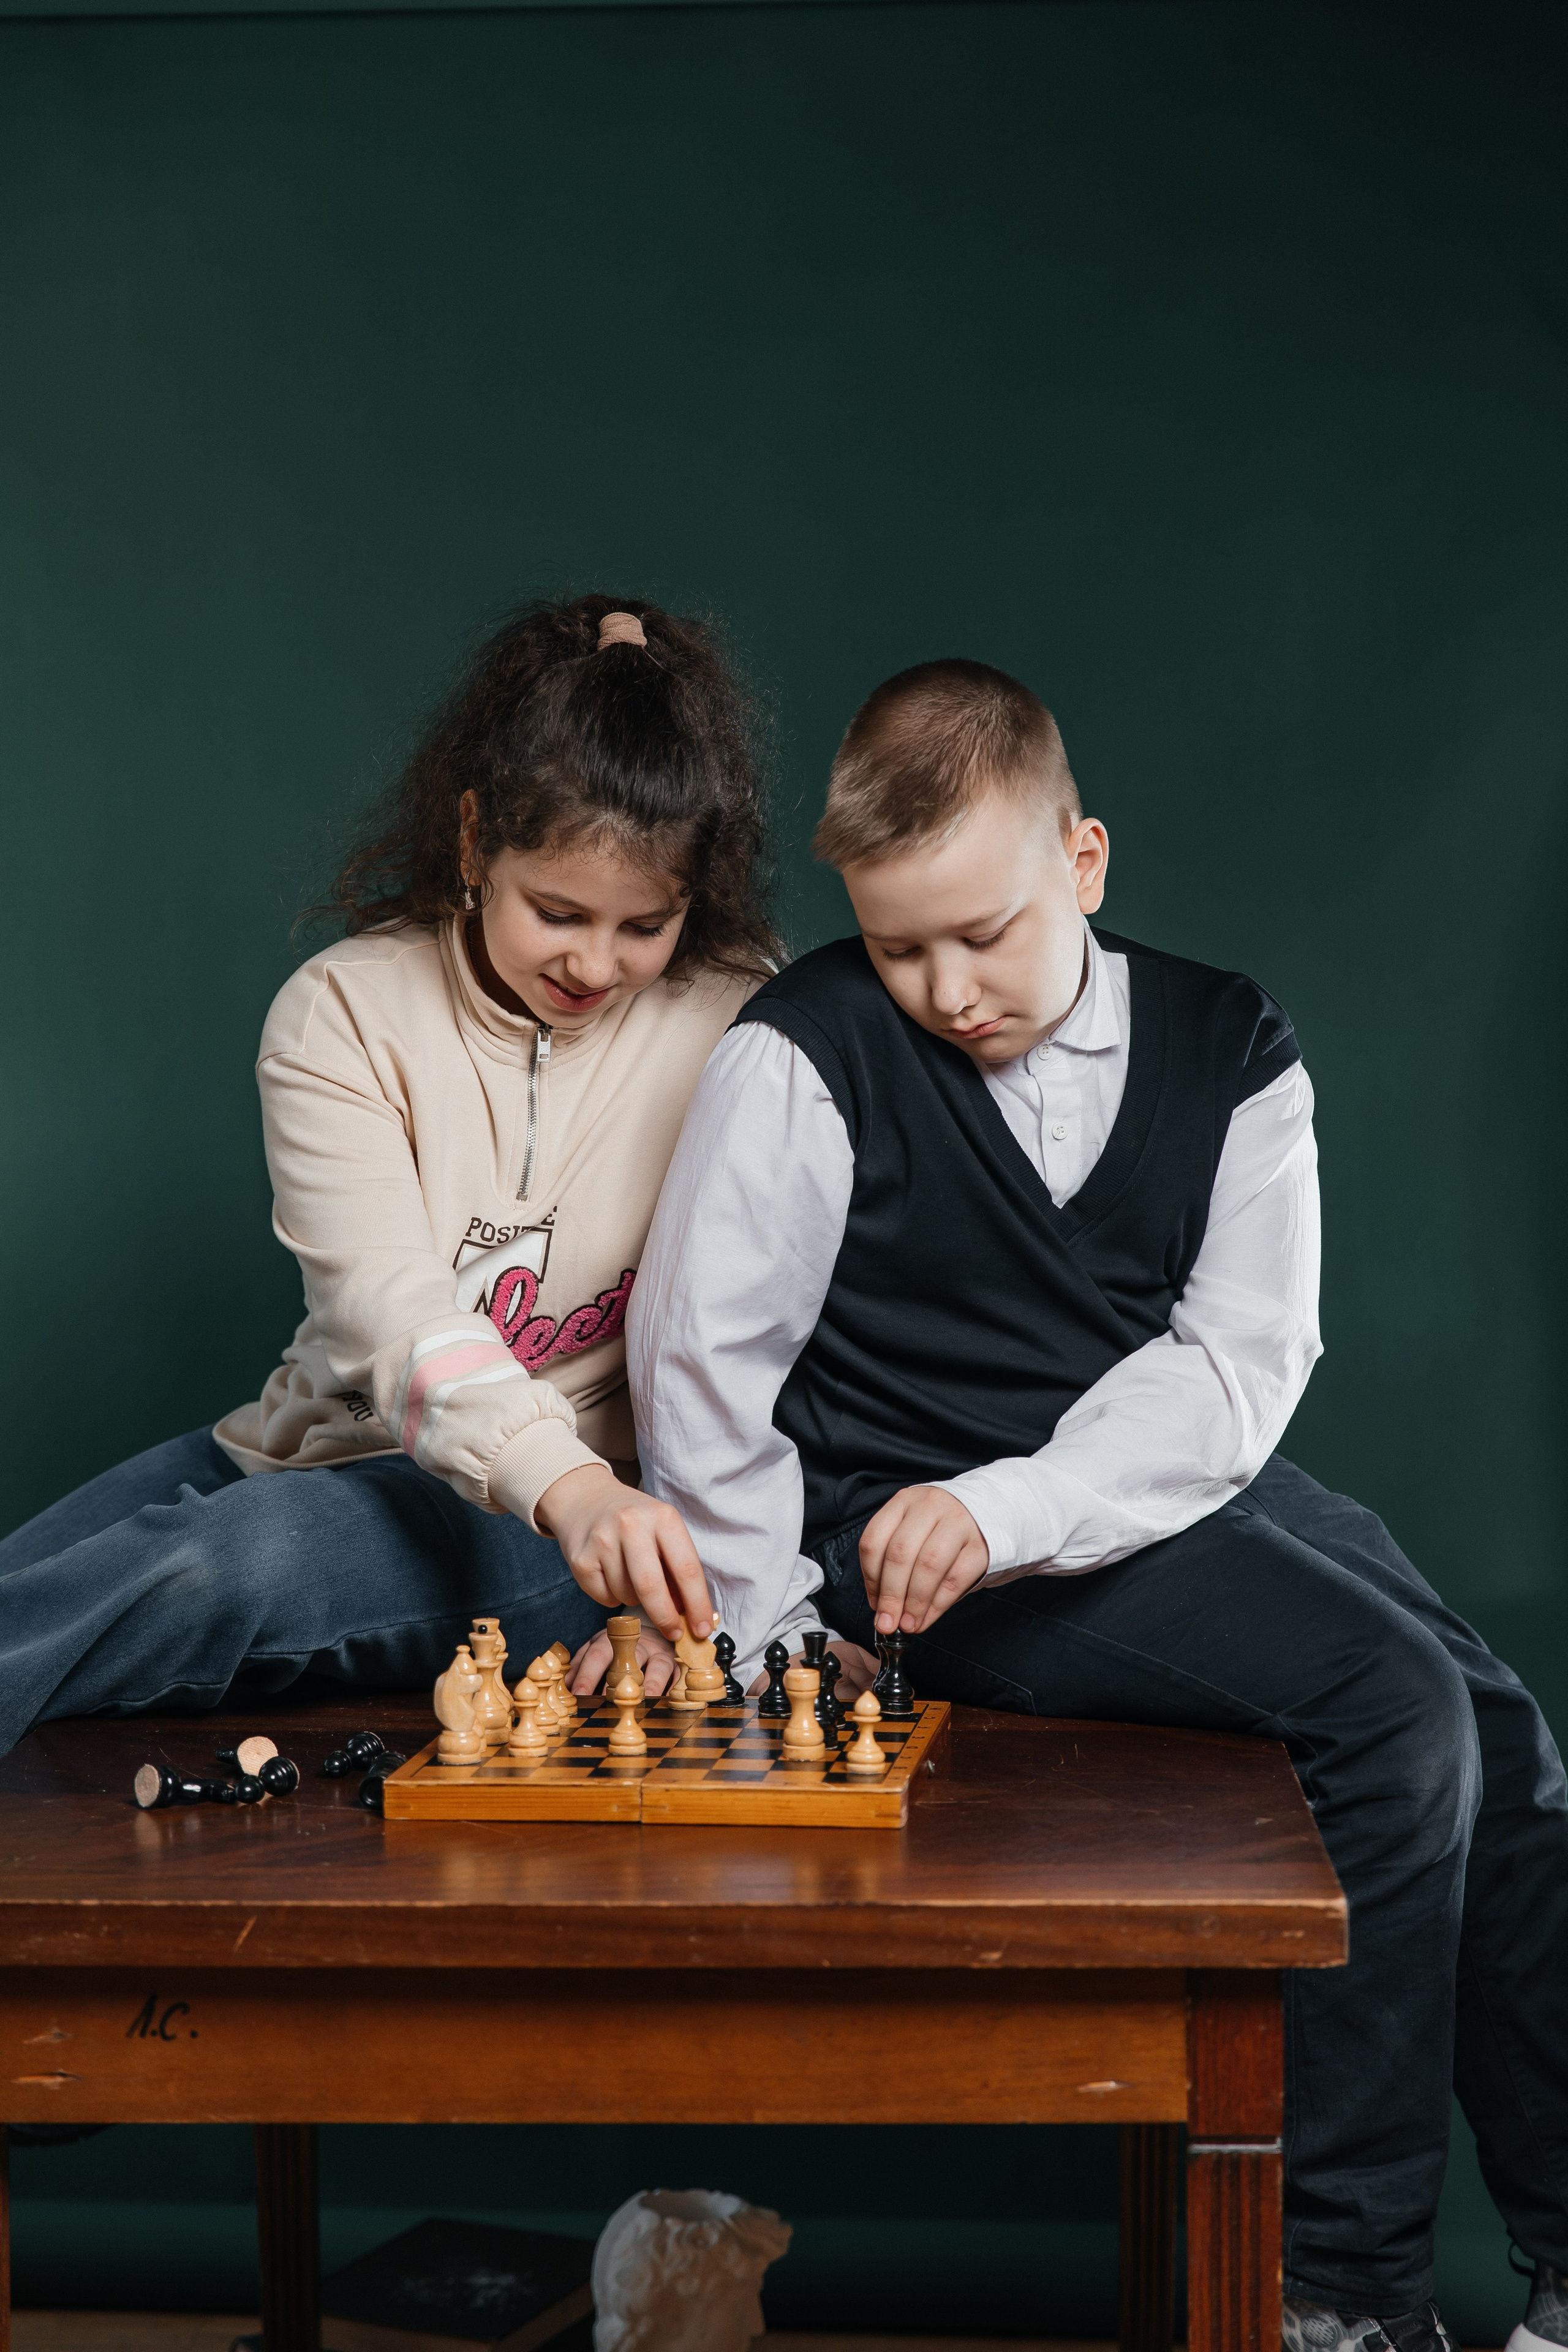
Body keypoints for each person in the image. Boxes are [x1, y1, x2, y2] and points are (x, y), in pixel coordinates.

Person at [627, 659, 1568, 2352]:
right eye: (900, 945)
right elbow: (702, 1373)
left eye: (983, 932)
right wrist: (774, 1645)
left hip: (1149, 1483)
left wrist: (1026, 1498)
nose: (946, 986)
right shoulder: (806, 1050)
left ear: (1087, 861)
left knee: (1508, 1735)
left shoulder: (1233, 1041)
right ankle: (1339, 2295)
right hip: (914, 1553)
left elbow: (1236, 1369)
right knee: (1401, 1710)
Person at [1, 594, 776, 1755]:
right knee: (29, 1588)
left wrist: (612, 1517)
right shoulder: (343, 1013)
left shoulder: (747, 1022)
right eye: (557, 911)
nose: (595, 963)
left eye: (644, 927)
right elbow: (390, 1312)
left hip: (553, 1527)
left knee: (230, 1567)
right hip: (302, 1447)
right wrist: (566, 1478)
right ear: (473, 844)